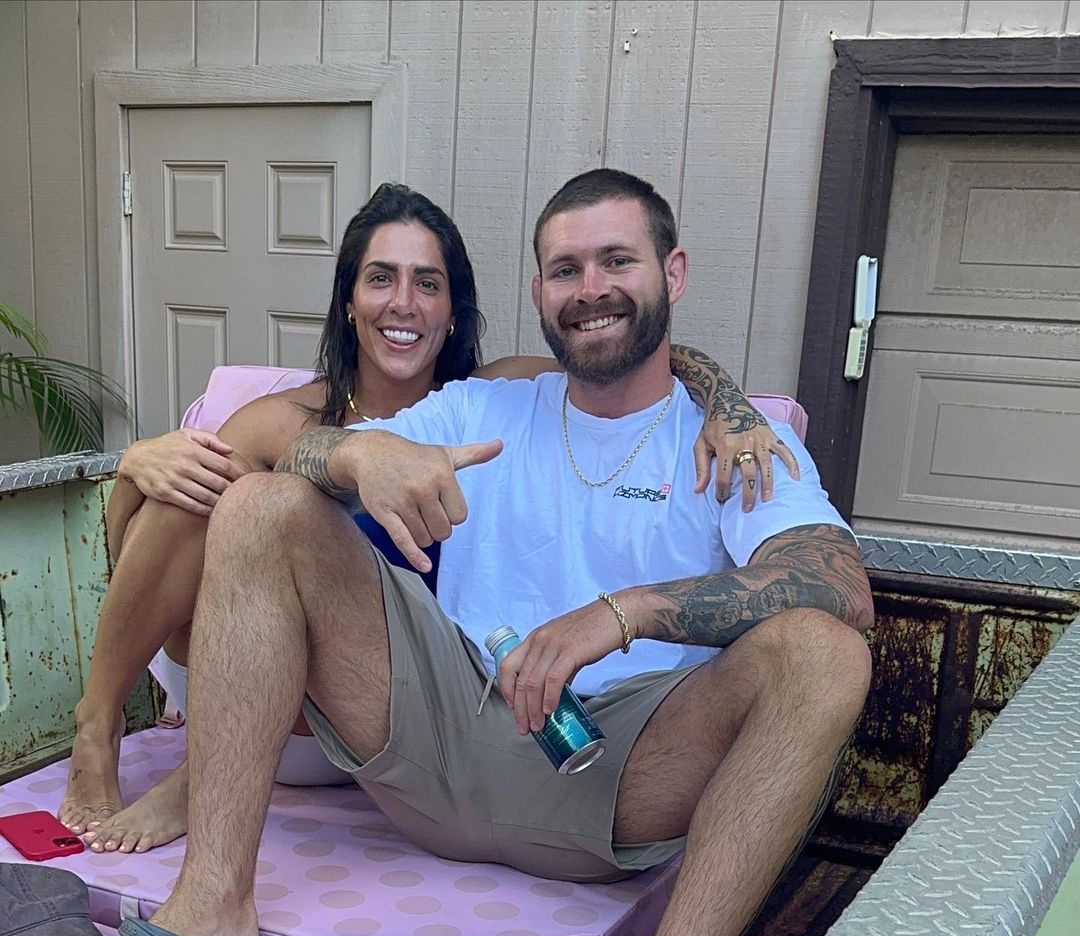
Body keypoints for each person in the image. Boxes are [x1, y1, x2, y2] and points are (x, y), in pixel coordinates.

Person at [37, 169, 873, 936]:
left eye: (617, 261)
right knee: (261, 507)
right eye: (565, 269)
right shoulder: (488, 406)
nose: (591, 289)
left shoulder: (735, 444)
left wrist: (628, 613)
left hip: (620, 772)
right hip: (435, 746)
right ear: (538, 291)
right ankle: (210, 910)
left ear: (674, 272)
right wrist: (353, 459)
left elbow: (838, 587)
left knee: (824, 654)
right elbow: (291, 452)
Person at [58, 183, 794, 855]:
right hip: (250, 675)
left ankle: (198, 777)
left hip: (382, 707)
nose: (404, 303)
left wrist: (726, 402)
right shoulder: (286, 419)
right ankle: (103, 729)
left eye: (428, 284)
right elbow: (141, 540)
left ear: (453, 311)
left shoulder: (489, 399)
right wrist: (131, 467)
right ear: (349, 301)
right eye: (381, 278)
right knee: (202, 489)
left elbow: (620, 346)